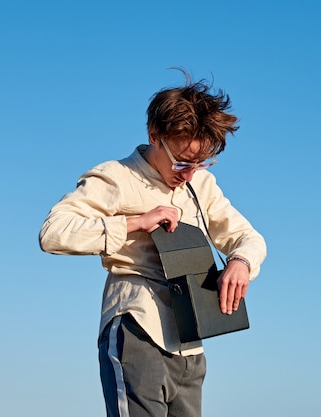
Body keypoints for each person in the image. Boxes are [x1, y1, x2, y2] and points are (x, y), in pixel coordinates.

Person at [39, 73, 267, 417]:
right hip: (137, 328)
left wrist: (241, 262)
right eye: (181, 161)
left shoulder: (201, 184)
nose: (189, 173)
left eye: (200, 162)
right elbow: (53, 232)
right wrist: (134, 223)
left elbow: (248, 237)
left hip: (191, 345)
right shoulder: (116, 177)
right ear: (154, 135)